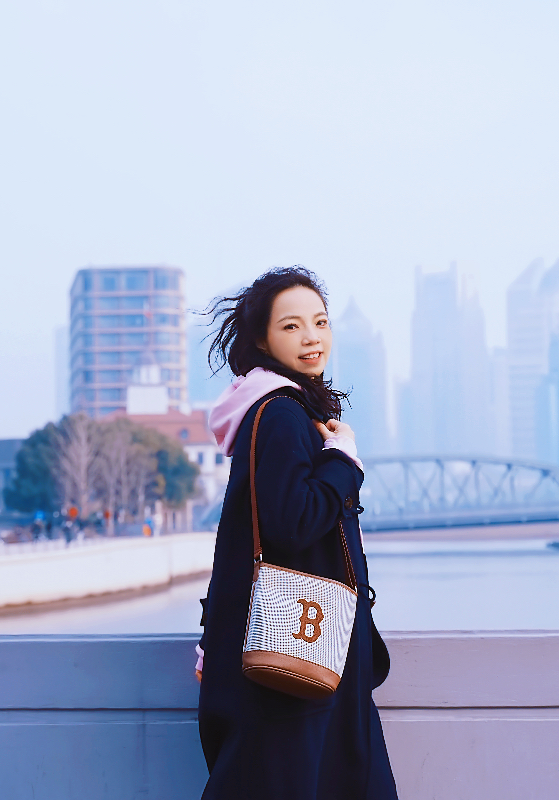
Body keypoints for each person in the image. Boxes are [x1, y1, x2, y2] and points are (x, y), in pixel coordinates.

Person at [196, 267, 396, 799]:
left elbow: (245, 535)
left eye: (320, 322)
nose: (312, 337)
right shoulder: (282, 414)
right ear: (263, 340)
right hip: (302, 656)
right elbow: (293, 524)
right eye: (291, 326)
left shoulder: (273, 411)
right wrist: (343, 460)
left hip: (296, 646)